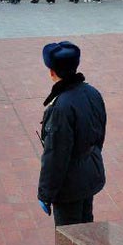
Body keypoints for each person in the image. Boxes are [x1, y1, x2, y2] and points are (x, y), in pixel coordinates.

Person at [38, 41, 106, 226]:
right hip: (90, 173)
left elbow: (55, 156)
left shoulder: (61, 107)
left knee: (69, 238)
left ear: (52, 72)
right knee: (87, 232)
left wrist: (45, 194)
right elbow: (100, 134)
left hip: (69, 186)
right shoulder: (92, 93)